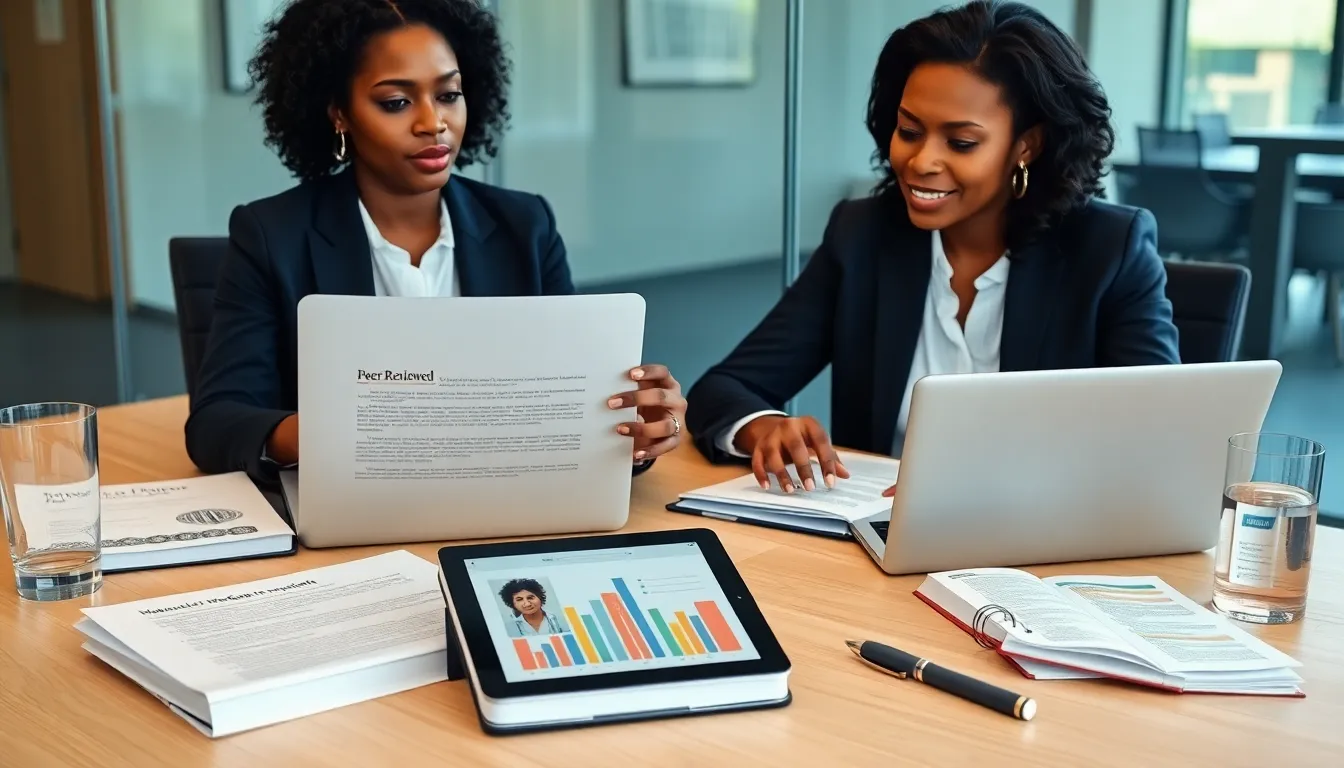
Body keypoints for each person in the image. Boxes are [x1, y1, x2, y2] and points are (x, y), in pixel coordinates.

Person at [685, 0, 1179, 494]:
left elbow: (1162, 436)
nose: (922, 161)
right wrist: (765, 428)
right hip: (874, 543)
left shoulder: (1109, 249)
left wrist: (988, 484)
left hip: (1042, 546)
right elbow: (723, 389)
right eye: (910, 131)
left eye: (961, 142)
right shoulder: (863, 236)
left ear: (1027, 145)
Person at [184, 0, 685, 482]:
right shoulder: (272, 234)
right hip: (351, 513)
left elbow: (577, 401)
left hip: (506, 505)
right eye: (396, 102)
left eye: (448, 95)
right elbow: (216, 424)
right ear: (339, 113)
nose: (433, 123)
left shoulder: (524, 226)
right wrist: (323, 436)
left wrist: (635, 432)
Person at [498, 578, 568, 637]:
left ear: (539, 598)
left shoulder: (561, 620)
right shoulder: (508, 627)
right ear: (513, 604)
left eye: (530, 598)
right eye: (519, 599)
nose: (527, 604)